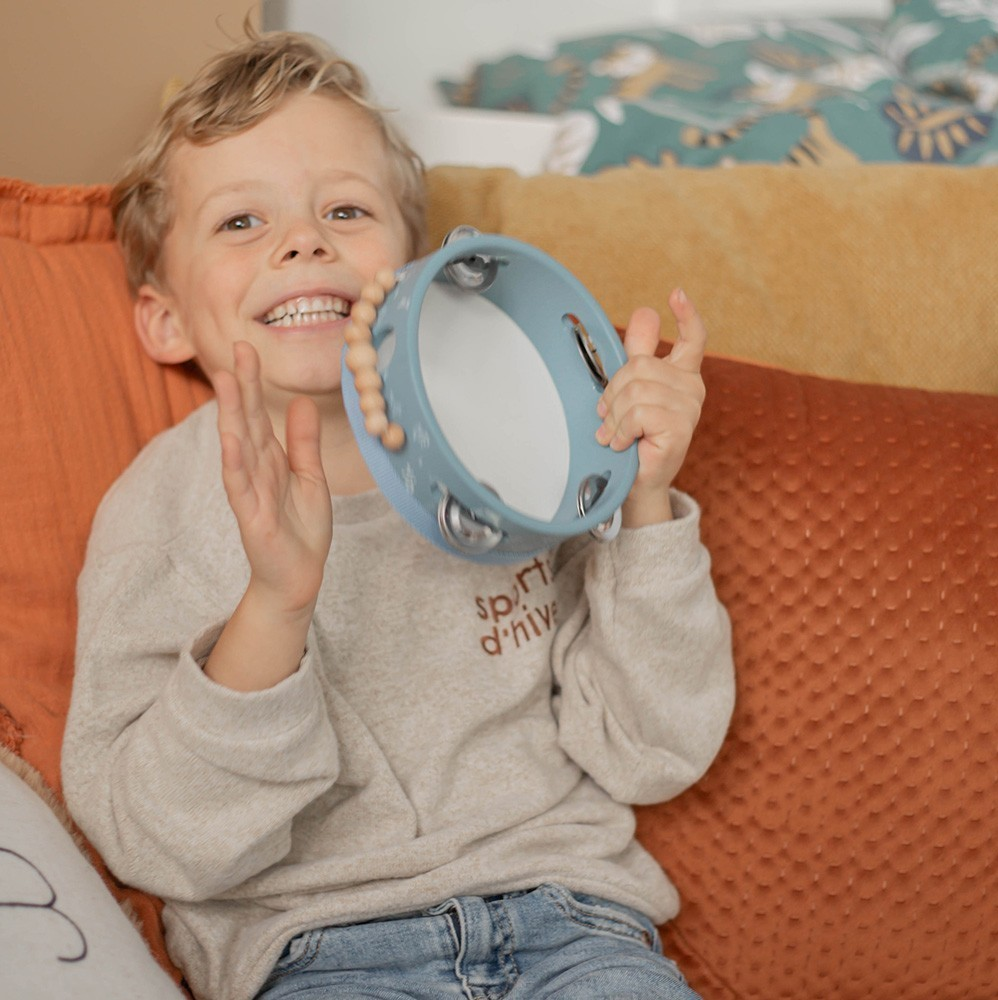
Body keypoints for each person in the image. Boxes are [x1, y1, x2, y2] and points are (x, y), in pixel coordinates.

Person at [61, 27, 735, 1000]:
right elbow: (153, 837)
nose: (305, 240)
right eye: (242, 223)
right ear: (165, 317)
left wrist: (644, 498)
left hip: (570, 921)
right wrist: (275, 607)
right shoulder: (156, 514)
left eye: (344, 208)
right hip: (319, 951)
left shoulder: (524, 455)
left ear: (411, 265)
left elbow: (651, 748)